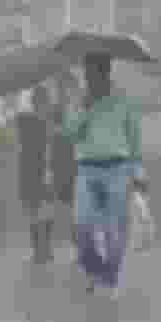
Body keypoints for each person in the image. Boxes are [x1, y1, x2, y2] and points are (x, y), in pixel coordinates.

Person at [59, 54, 146, 298]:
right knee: (82, 226)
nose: (90, 79)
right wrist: (83, 110)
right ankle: (98, 271)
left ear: (106, 74)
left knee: (113, 229)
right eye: (87, 75)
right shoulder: (79, 101)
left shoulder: (123, 101)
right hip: (87, 168)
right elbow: (69, 133)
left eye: (94, 74)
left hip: (118, 168)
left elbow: (135, 140)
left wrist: (138, 172)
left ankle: (111, 277)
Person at [14, 86, 53, 263]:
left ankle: (43, 250)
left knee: (43, 209)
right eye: (39, 101)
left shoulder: (44, 121)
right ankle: (40, 250)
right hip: (32, 169)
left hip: (41, 169)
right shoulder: (26, 120)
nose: (41, 105)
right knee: (34, 210)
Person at [49, 75, 79, 256]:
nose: (66, 92)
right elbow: (52, 137)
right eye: (63, 88)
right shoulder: (56, 112)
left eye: (70, 88)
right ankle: (78, 245)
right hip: (65, 166)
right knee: (70, 210)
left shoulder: (82, 109)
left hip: (80, 164)